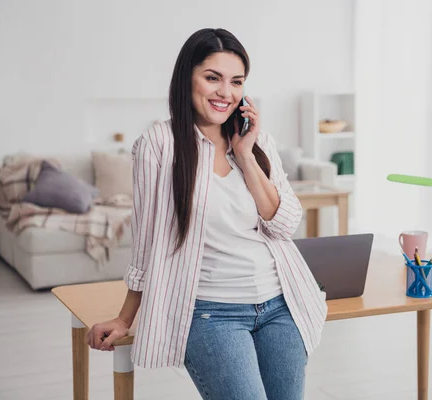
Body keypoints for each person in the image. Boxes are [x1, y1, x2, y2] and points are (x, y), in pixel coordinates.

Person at [86, 28, 328, 400]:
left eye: (236, 82)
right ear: (187, 78)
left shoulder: (258, 142)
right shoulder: (159, 145)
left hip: (282, 306)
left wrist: (245, 155)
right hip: (211, 314)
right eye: (212, 78)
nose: (225, 93)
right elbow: (148, 243)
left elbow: (284, 224)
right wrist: (124, 318)